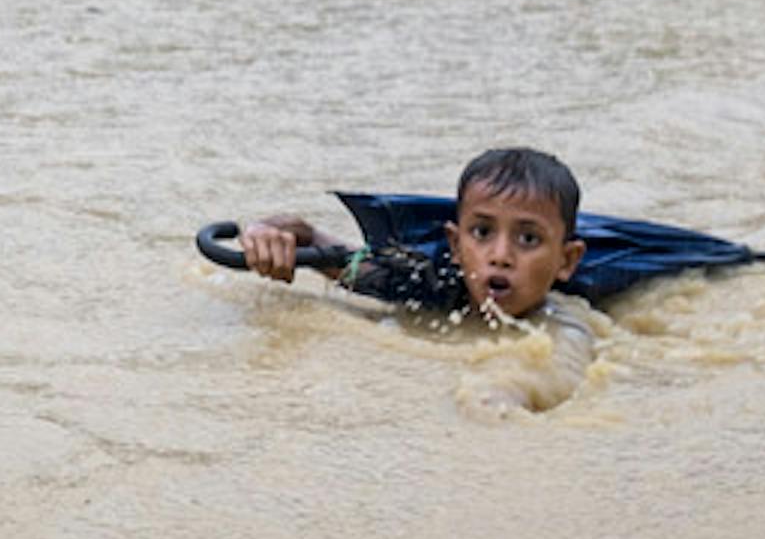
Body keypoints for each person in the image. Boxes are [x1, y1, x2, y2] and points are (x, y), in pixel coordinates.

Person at [239, 146, 600, 411]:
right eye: (482, 232)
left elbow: (553, 372)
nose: (501, 255)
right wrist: (276, 233)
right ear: (455, 245)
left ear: (567, 260)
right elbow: (332, 255)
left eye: (528, 239)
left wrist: (500, 397)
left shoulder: (566, 326)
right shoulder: (430, 287)